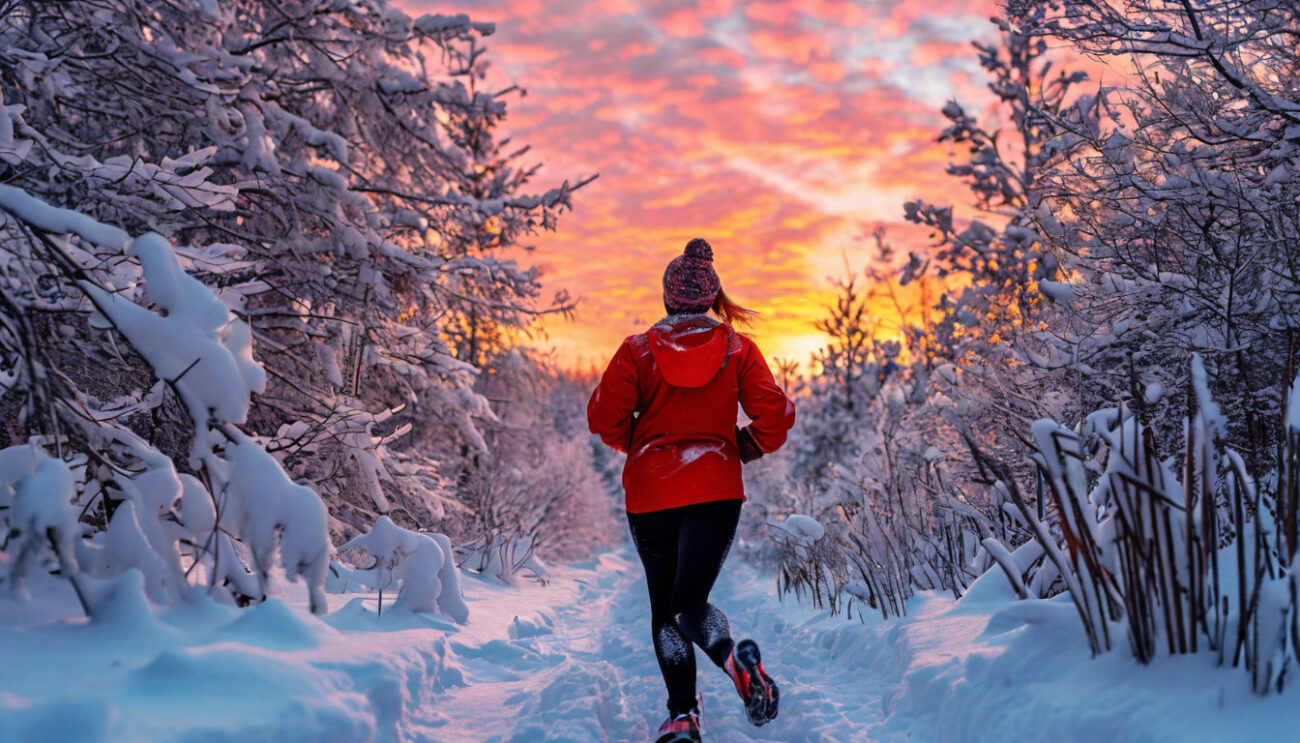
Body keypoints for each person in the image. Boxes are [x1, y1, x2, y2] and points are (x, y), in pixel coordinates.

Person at [587, 237, 796, 742]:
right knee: (691, 600)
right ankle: (733, 661)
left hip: (651, 493)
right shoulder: (738, 348)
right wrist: (743, 447)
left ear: (667, 297)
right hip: (717, 489)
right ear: (710, 299)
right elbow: (777, 414)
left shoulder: (636, 350)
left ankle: (683, 715)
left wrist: (639, 444)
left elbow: (602, 418)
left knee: (666, 607)